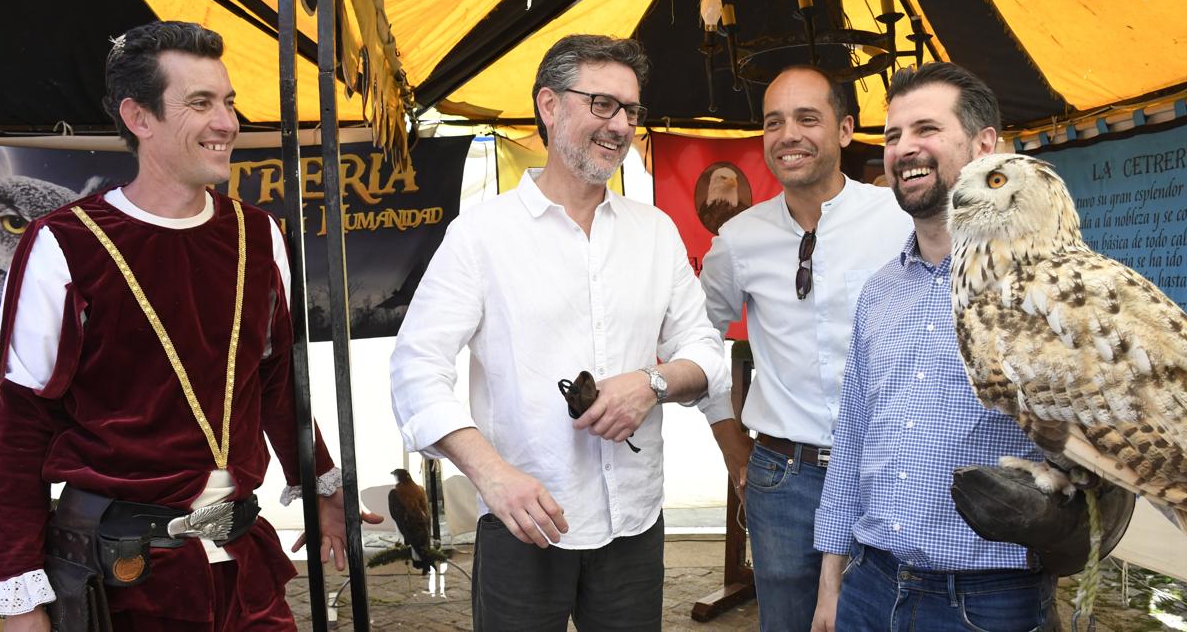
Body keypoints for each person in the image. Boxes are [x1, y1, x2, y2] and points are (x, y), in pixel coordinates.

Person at [0, 21, 374, 631]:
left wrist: (319, 485)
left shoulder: (259, 236)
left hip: (244, 571)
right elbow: (21, 425)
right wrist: (19, 592)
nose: (227, 123)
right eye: (200, 103)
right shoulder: (64, 244)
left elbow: (273, 383)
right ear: (139, 117)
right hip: (123, 581)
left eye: (229, 102)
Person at [390, 34, 728, 631]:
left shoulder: (654, 231)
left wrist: (651, 382)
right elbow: (417, 369)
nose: (620, 124)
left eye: (630, 110)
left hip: (634, 523)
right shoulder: (482, 236)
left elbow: (705, 351)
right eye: (602, 104)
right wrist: (492, 476)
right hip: (524, 521)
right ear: (549, 105)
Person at [812, 62, 1053, 631]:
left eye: (926, 130)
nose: (903, 149)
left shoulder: (1043, 288)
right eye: (893, 136)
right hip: (870, 587)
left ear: (984, 145)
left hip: (988, 599)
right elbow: (851, 440)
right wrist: (831, 585)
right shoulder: (881, 292)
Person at [698, 65, 912, 631]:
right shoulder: (738, 239)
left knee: (883, 617)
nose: (788, 134)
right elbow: (696, 342)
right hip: (783, 480)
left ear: (844, 130)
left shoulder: (899, 220)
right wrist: (730, 443)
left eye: (806, 118)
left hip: (884, 469)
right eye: (774, 122)